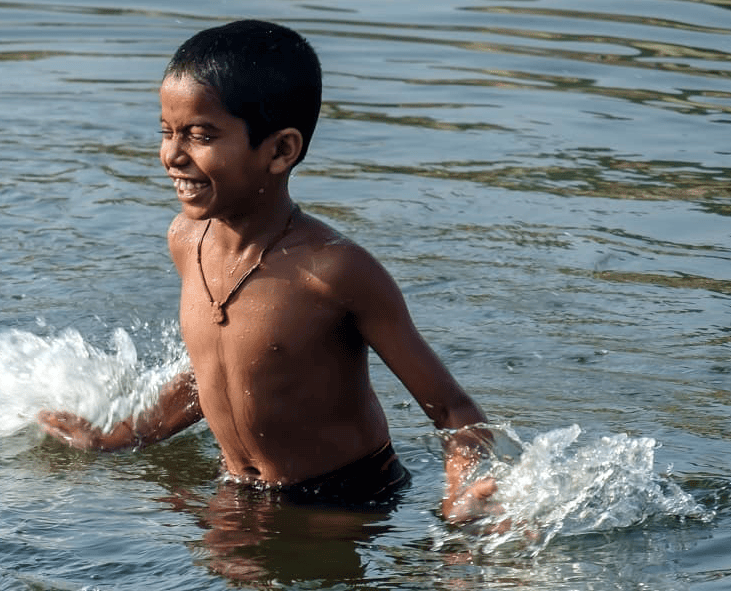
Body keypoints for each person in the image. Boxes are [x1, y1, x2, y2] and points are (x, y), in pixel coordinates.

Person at [38, 20, 499, 523]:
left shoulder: (333, 270)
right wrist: (119, 437)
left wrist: (461, 496)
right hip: (235, 492)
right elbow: (218, 372)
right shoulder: (185, 240)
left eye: (200, 135)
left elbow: (454, 411)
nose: (172, 155)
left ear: (280, 150)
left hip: (346, 500)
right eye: (167, 132)